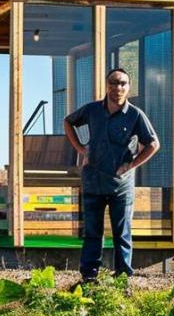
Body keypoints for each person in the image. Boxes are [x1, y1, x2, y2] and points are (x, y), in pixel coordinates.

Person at [63, 68, 160, 282]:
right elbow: (68, 122)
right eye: (114, 83)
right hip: (93, 182)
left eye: (123, 83)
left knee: (122, 232)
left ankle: (123, 277)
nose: (118, 88)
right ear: (107, 86)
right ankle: (89, 276)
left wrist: (131, 165)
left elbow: (153, 144)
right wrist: (81, 149)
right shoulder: (92, 110)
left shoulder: (135, 115)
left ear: (128, 87)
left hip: (121, 186)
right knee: (92, 232)